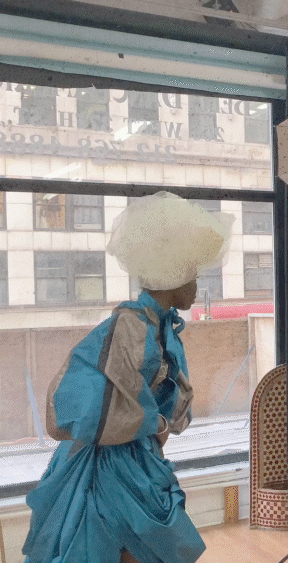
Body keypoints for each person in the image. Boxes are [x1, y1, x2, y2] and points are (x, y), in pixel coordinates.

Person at [22, 192, 233, 563]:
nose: (197, 289)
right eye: (193, 277)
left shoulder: (155, 326)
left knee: (139, 545)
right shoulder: (132, 327)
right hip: (108, 464)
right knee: (125, 546)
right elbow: (111, 404)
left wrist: (160, 423)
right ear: (173, 278)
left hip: (134, 455)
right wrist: (159, 422)